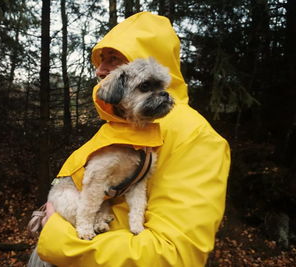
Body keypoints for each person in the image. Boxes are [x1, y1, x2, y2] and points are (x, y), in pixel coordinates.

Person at [28, 11, 230, 267]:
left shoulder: (196, 138)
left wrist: (60, 238)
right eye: (101, 60)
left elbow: (175, 254)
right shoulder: (123, 125)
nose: (99, 70)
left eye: (113, 59)